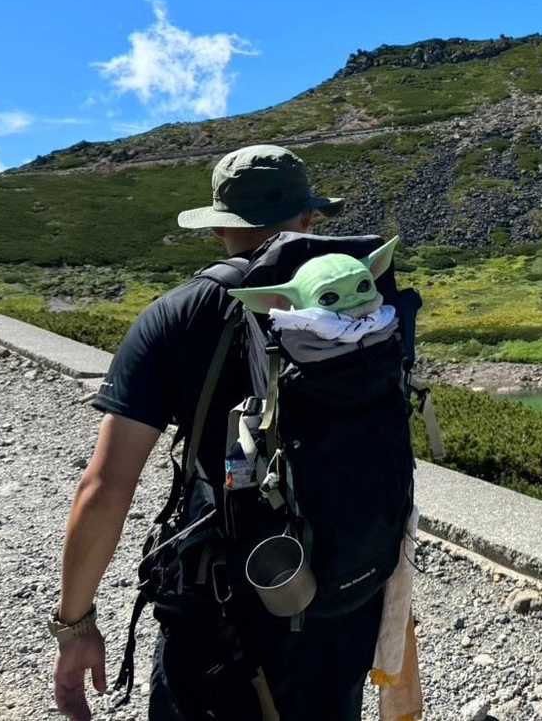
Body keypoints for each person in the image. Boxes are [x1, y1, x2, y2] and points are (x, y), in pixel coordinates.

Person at [52, 144, 384, 721]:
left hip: (226, 600)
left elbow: (106, 487)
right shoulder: (366, 303)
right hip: (348, 586)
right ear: (309, 219)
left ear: (217, 228)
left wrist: (75, 625)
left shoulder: (176, 316)